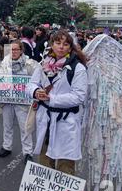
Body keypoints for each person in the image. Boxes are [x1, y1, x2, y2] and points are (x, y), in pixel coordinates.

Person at [26, 30, 88, 175]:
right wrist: (36, 91)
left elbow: (79, 96)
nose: (61, 47)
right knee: (45, 161)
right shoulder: (44, 64)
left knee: (65, 164)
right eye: (58, 43)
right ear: (52, 44)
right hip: (46, 119)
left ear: (70, 47)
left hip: (66, 121)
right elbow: (31, 84)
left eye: (65, 44)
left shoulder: (77, 68)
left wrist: (51, 99)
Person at [0, 40, 40, 164]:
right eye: (11, 49)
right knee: (7, 124)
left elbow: (36, 80)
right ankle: (6, 146)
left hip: (23, 101)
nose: (13, 52)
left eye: (16, 49)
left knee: (25, 127)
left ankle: (27, 152)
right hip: (7, 100)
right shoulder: (4, 63)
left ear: (21, 50)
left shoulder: (30, 64)